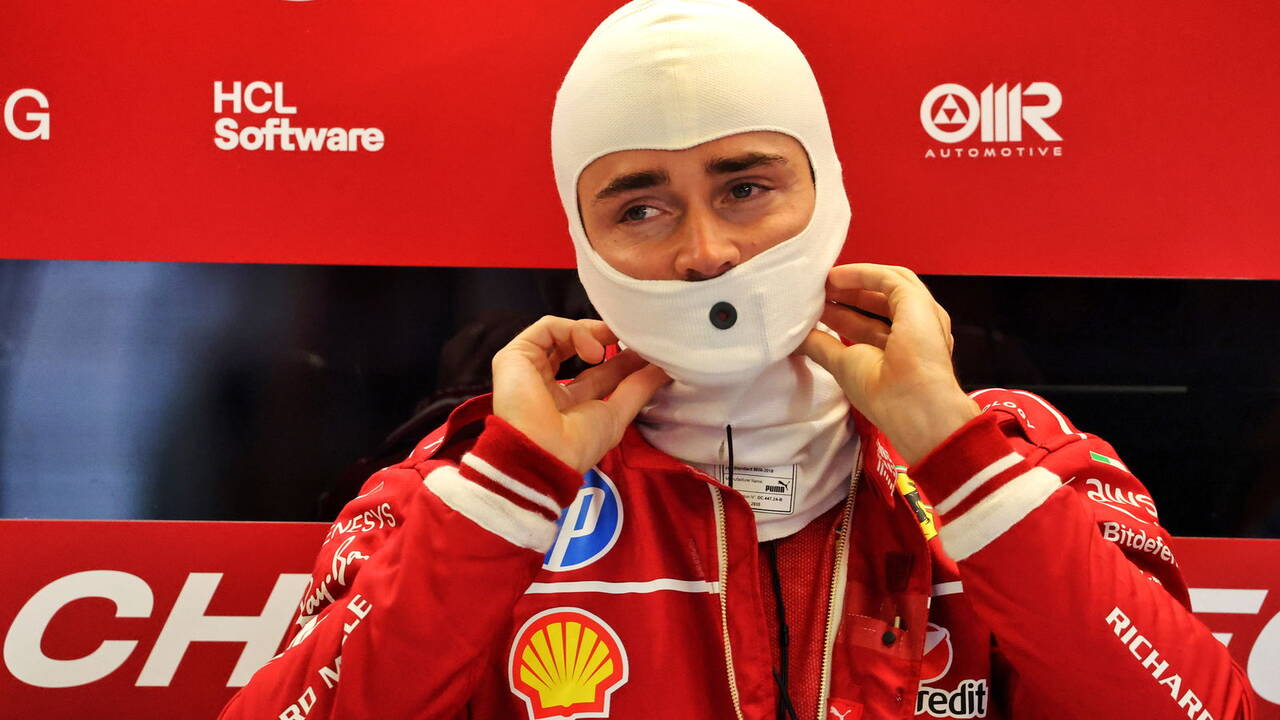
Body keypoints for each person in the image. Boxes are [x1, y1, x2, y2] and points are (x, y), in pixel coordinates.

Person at [219, 1, 1256, 718]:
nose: (705, 251)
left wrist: (955, 456)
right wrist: (507, 496)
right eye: (641, 207)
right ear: (582, 240)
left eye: (745, 188)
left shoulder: (1024, 466)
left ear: (826, 190)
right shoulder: (462, 493)